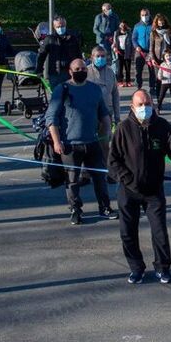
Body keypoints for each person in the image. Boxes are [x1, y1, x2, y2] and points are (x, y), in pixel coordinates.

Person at [107, 90, 171, 284]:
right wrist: (126, 178)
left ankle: (163, 267)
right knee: (127, 232)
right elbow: (112, 162)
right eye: (140, 105)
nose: (145, 108)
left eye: (147, 103)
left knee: (159, 231)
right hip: (129, 190)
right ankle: (136, 268)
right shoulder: (123, 129)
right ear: (132, 107)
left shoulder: (162, 127)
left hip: (153, 190)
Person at [47, 58, 115, 225]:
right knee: (72, 180)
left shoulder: (94, 89)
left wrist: (107, 132)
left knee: (100, 176)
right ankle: (75, 209)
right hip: (70, 144)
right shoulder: (61, 89)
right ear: (70, 71)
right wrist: (56, 141)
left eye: (83, 68)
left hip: (92, 142)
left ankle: (105, 207)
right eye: (77, 69)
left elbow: (104, 113)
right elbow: (51, 118)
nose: (81, 71)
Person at [36, 15, 84, 89]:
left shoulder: (73, 39)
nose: (60, 28)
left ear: (65, 25)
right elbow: (41, 55)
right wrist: (39, 70)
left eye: (62, 26)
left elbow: (78, 54)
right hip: (55, 73)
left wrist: (80, 69)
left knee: (71, 95)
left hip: (70, 72)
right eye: (58, 26)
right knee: (57, 96)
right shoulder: (49, 39)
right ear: (54, 27)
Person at [87, 45, 120, 125]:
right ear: (92, 57)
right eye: (97, 56)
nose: (100, 58)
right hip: (90, 113)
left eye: (102, 56)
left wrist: (117, 117)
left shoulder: (110, 72)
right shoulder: (86, 71)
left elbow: (115, 94)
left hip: (107, 112)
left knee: (106, 137)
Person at [147, 13, 171, 98]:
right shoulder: (153, 33)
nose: (161, 24)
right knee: (159, 79)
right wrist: (152, 59)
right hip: (157, 58)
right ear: (156, 23)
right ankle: (159, 98)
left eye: (162, 22)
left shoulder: (170, 31)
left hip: (168, 58)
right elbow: (151, 47)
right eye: (159, 23)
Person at [132, 8, 153, 91]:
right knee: (138, 70)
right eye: (143, 15)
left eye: (146, 14)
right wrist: (136, 46)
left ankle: (152, 86)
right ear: (140, 16)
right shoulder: (137, 26)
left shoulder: (153, 25)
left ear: (149, 15)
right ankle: (138, 86)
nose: (145, 16)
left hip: (150, 51)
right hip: (140, 51)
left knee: (152, 70)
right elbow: (134, 38)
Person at [113, 21, 133, 87]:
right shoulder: (116, 33)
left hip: (127, 52)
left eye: (124, 25)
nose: (123, 27)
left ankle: (128, 81)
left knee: (127, 68)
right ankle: (120, 81)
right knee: (119, 68)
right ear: (119, 26)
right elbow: (114, 43)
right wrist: (114, 48)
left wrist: (132, 52)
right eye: (121, 25)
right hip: (119, 52)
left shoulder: (129, 33)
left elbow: (132, 42)